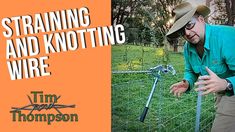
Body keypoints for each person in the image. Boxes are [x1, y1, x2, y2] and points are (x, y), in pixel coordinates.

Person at [166, 2, 235, 132]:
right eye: (182, 31)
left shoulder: (226, 37)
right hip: (222, 90)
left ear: (201, 20)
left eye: (189, 25)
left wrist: (227, 84)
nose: (187, 33)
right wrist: (188, 82)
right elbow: (191, 70)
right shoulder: (188, 47)